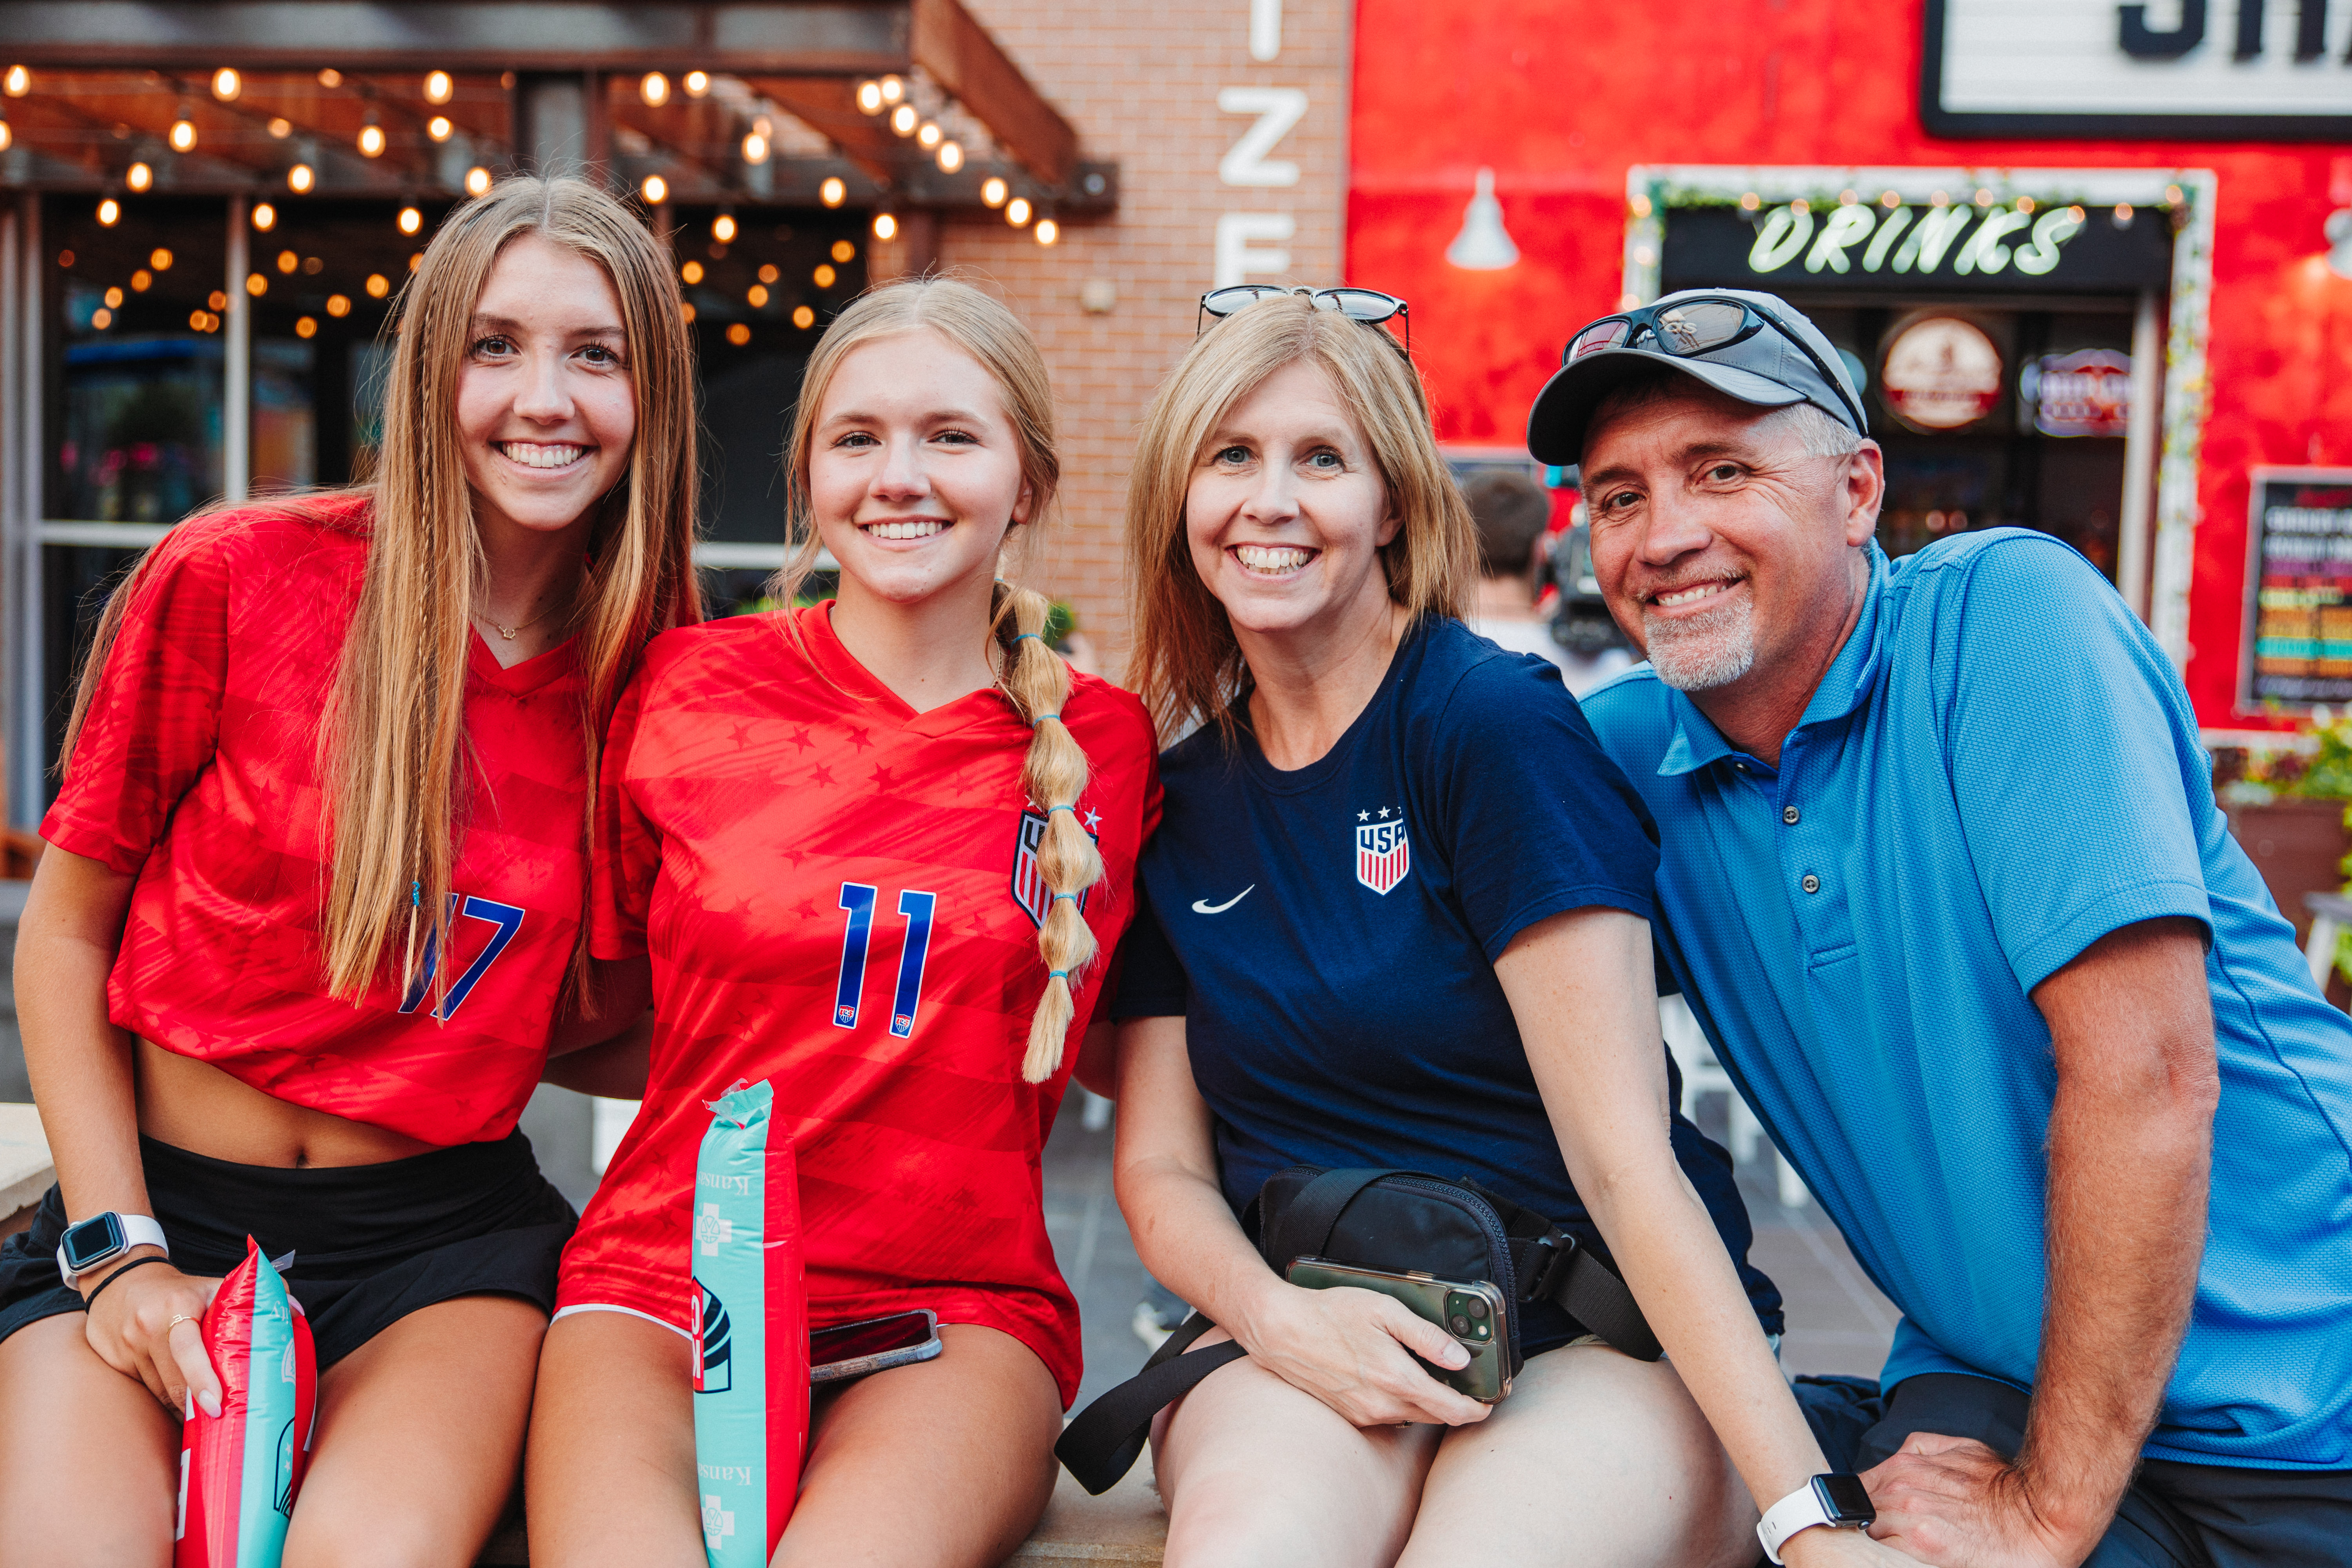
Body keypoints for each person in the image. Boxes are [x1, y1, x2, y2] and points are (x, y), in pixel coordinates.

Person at [1544, 286, 2352, 1568]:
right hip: (1989, 1380)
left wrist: (2045, 1519)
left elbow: (2148, 1078)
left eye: (1722, 469)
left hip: (2304, 1403)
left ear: (1858, 491)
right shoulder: (1622, 758)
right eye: (1619, 496)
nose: (1665, 535)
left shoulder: (2005, 617)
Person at [1108, 287, 1912, 1568]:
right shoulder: (1179, 796)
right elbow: (1159, 1171)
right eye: (1230, 456)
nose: (1271, 500)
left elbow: (1624, 1162)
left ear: (1393, 507)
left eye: (1322, 459)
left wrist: (1809, 1518)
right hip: (1311, 1315)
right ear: (1179, 501)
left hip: (1590, 1333)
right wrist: (1271, 1316)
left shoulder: (1491, 728)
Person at [0, 174, 700, 1566]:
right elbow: (67, 932)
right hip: (157, 1195)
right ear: (432, 368)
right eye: (495, 346)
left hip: (444, 1249)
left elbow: (602, 1017)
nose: (542, 397)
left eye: (596, 354)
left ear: (653, 400)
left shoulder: (660, 684)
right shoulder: (235, 575)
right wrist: (122, 1246)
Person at [526, 278, 1161, 1568]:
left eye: (952, 437)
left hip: (956, 1303)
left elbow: (1103, 1037)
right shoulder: (687, 684)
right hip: (664, 1274)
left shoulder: (1103, 744)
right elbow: (597, 1009)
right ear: (809, 471)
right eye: (857, 438)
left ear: (1027, 482)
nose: (900, 477)